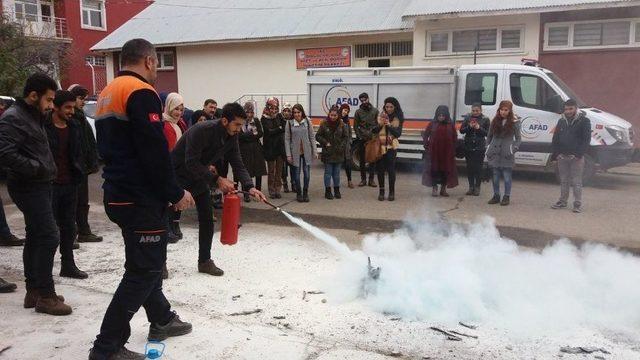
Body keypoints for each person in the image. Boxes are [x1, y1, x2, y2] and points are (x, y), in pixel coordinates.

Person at [89, 39, 196, 360]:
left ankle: (161, 318)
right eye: (157, 65)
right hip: (139, 198)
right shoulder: (141, 92)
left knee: (143, 265)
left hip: (118, 193)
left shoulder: (108, 91)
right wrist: (175, 193)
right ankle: (106, 347)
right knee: (144, 271)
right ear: (149, 61)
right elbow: (153, 151)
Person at [0, 73, 71, 315]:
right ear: (33, 96)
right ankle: (46, 296)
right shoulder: (13, 118)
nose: (52, 106)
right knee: (50, 236)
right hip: (28, 185)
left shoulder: (31, 115)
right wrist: (36, 168)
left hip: (39, 184)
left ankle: (34, 292)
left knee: (35, 235)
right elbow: (5, 153)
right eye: (49, 100)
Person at [172, 102, 267, 277]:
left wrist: (250, 187)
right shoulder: (202, 130)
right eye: (237, 124)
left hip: (199, 177)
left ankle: (204, 261)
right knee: (168, 222)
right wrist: (217, 180)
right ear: (224, 121)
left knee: (207, 218)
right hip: (177, 176)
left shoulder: (232, 136)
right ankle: (159, 264)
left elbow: (237, 162)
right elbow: (190, 162)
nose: (239, 129)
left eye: (241, 125)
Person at [45, 90, 88, 279]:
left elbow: (79, 153)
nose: (71, 111)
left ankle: (68, 265)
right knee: (49, 231)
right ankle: (44, 272)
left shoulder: (74, 127)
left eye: (72, 107)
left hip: (70, 183)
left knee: (69, 227)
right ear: (56, 107)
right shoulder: (43, 126)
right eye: (67, 107)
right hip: (50, 185)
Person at [68, 84, 103, 244]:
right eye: (81, 98)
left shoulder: (80, 116)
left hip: (83, 166)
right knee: (71, 201)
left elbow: (88, 140)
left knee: (83, 200)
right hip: (73, 167)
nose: (83, 102)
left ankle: (83, 230)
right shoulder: (69, 117)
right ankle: (71, 234)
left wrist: (92, 161)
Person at [551, 99, 591, 213]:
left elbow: (586, 140)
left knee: (577, 181)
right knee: (564, 181)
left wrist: (578, 154)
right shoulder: (561, 121)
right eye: (566, 109)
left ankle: (577, 204)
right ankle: (562, 201)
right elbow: (555, 139)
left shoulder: (584, 121)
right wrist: (556, 155)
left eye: (570, 109)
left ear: (576, 108)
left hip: (576, 158)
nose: (568, 111)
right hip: (562, 157)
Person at [162, 93, 188, 244]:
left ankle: (175, 225)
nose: (178, 112)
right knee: (169, 198)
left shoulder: (180, 124)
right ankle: (168, 227)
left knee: (179, 196)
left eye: (181, 109)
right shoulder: (164, 124)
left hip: (180, 166)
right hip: (169, 165)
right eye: (176, 109)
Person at [486, 100, 521, 206]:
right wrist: (488, 147)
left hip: (507, 153)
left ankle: (506, 196)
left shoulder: (515, 122)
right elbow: (489, 136)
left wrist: (513, 149)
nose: (503, 112)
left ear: (510, 111)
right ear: (499, 110)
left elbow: (518, 138)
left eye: (506, 110)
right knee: (495, 176)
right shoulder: (495, 121)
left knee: (506, 177)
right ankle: (496, 195)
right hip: (495, 153)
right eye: (501, 109)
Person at [422, 105, 459, 197]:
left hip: (447, 153)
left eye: (443, 115)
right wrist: (426, 145)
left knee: (445, 171)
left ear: (446, 116)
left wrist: (454, 149)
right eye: (440, 115)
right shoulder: (432, 124)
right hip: (434, 152)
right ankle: (434, 188)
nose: (441, 117)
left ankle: (443, 189)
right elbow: (426, 135)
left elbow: (455, 137)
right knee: (434, 170)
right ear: (436, 115)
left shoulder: (450, 125)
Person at [285, 104, 317, 202]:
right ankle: (299, 193)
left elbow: (312, 137)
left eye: (298, 112)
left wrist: (314, 151)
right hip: (295, 153)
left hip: (306, 152)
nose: (296, 114)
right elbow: (287, 139)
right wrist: (288, 154)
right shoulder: (290, 123)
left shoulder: (307, 121)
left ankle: (305, 192)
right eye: (294, 112)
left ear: (302, 112)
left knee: (307, 174)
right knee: (297, 175)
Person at [316, 106, 349, 200]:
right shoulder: (324, 124)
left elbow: (346, 137)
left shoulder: (342, 124)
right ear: (329, 114)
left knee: (337, 173)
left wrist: (342, 146)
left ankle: (337, 190)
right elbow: (318, 136)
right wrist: (325, 143)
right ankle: (328, 191)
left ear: (338, 115)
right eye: (331, 115)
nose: (333, 117)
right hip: (328, 153)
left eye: (335, 115)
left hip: (338, 153)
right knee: (328, 173)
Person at [376, 97, 404, 201]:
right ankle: (381, 192)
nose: (388, 109)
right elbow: (374, 130)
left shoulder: (398, 118)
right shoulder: (380, 116)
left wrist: (389, 125)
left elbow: (398, 133)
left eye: (391, 107)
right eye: (387, 106)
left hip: (391, 147)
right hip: (380, 146)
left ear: (395, 107)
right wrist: (380, 124)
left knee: (391, 170)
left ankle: (391, 192)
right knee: (380, 170)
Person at [459, 103, 490, 196]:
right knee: (469, 168)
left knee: (478, 168)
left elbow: (488, 133)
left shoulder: (485, 119)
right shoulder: (467, 118)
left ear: (481, 110)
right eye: (473, 110)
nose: (475, 112)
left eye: (477, 111)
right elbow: (461, 130)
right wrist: (469, 127)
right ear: (471, 110)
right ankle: (471, 187)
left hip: (479, 147)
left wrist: (479, 128)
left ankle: (477, 187)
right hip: (468, 146)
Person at [239, 102, 267, 202]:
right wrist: (250, 136)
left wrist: (248, 136)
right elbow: (239, 136)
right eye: (247, 112)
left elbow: (260, 133)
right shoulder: (240, 122)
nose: (249, 115)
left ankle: (258, 191)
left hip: (256, 149)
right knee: (246, 171)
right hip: (244, 150)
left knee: (258, 171)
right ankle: (246, 192)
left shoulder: (256, 121)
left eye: (251, 112)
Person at [261, 97, 286, 199]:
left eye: (276, 108)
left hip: (279, 147)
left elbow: (283, 127)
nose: (274, 110)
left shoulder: (279, 116)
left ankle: (277, 189)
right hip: (270, 148)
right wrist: (278, 129)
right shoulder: (264, 118)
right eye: (271, 108)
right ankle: (271, 190)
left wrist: (277, 129)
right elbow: (268, 131)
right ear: (268, 107)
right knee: (271, 171)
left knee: (279, 170)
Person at [354, 92, 378, 187]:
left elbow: (378, 124)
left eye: (365, 100)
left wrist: (375, 135)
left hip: (372, 140)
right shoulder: (358, 112)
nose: (364, 102)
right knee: (362, 160)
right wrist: (359, 136)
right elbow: (355, 126)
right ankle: (363, 179)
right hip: (362, 140)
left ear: (368, 99)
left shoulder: (375, 111)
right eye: (362, 100)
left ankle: (371, 180)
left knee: (372, 160)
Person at [280, 103, 296, 194]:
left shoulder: (294, 121)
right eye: (285, 111)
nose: (286, 113)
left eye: (288, 111)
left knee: (293, 168)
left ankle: (293, 184)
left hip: (292, 148)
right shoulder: (279, 120)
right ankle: (285, 184)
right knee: (283, 169)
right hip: (282, 149)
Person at [340, 103, 354, 189]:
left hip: (346, 145)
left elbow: (349, 132)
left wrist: (349, 141)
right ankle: (335, 182)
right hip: (338, 145)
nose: (345, 112)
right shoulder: (335, 117)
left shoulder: (346, 120)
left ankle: (349, 181)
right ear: (341, 109)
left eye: (347, 111)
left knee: (348, 163)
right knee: (337, 164)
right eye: (345, 110)